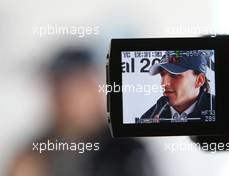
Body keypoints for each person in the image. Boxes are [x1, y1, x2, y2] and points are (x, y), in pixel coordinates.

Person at [9, 48, 156, 176]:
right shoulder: (37, 151)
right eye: (56, 88)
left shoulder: (126, 152)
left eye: (69, 89)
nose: (61, 99)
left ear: (92, 88)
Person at [140, 50, 215, 123]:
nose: (164, 83)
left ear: (200, 80)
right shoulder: (148, 118)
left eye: (174, 75)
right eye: (162, 75)